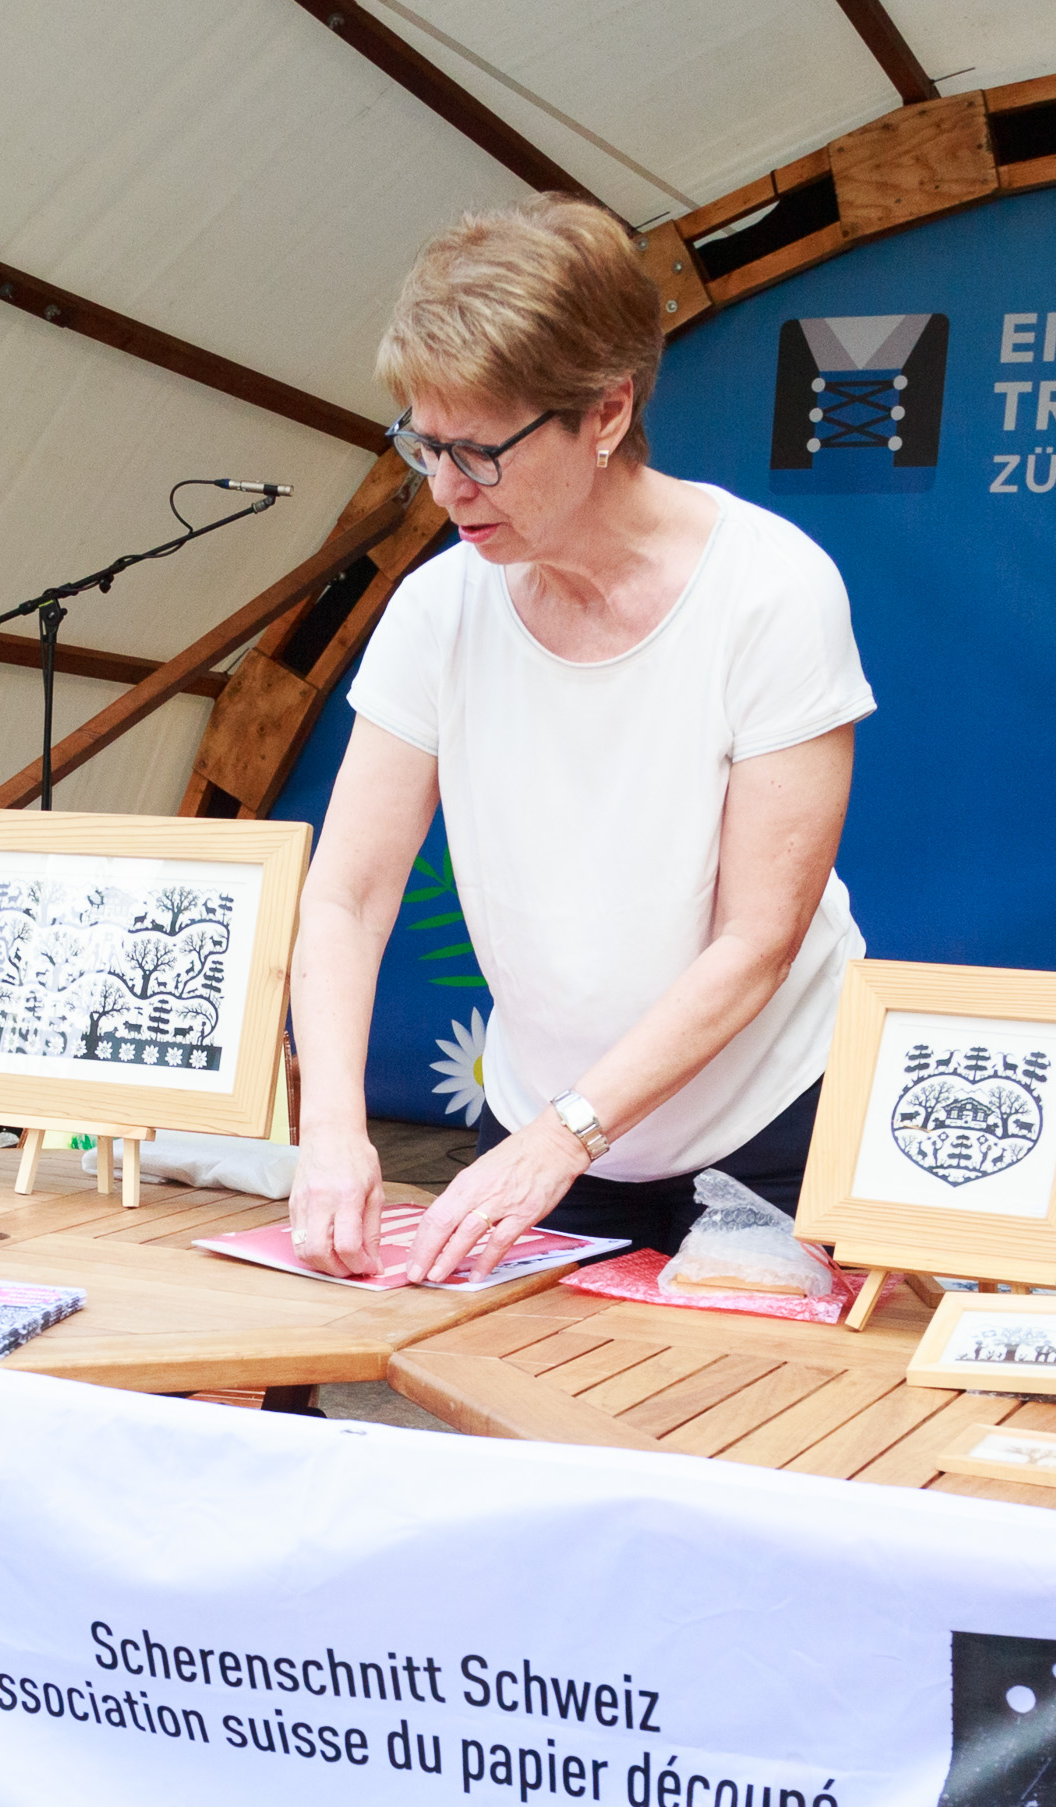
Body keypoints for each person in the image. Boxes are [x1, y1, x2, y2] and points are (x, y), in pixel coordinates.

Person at [285, 194, 876, 1283]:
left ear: (605, 413)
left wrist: (563, 1139)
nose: (446, 489)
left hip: (776, 1132)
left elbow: (758, 940)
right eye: (425, 444)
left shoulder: (771, 591)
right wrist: (330, 1129)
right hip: (542, 1126)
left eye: (481, 452)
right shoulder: (438, 608)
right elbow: (348, 895)